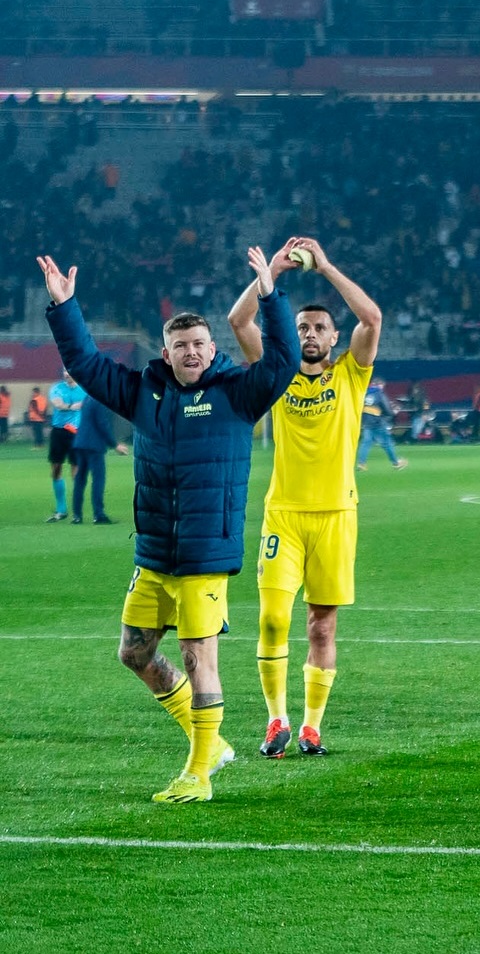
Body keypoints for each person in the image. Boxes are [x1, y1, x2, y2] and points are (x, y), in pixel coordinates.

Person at [39, 249, 298, 803]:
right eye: (181, 345)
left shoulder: (239, 393)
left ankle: (199, 773)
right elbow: (86, 365)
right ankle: (213, 745)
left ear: (213, 348)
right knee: (133, 653)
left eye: (200, 343)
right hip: (155, 553)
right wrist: (64, 307)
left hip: (205, 553)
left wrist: (270, 293)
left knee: (198, 656)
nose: (192, 352)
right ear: (166, 353)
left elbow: (283, 360)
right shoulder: (142, 393)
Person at [228, 237, 382, 760]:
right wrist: (270, 274)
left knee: (321, 624)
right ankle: (277, 719)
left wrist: (327, 267)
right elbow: (238, 321)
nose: (310, 334)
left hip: (337, 515)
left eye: (319, 328)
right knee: (273, 618)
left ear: (334, 337)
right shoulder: (278, 373)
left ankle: (312, 727)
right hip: (284, 516)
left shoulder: (351, 374)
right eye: (302, 328)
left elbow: (372, 318)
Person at [71, 394, 127, 524]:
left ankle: (77, 516)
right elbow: (102, 424)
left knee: (80, 480)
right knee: (98, 479)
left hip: (81, 443)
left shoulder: (87, 397)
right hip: (94, 445)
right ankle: (98, 515)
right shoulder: (100, 399)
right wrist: (115, 445)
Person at [45, 369, 86, 521]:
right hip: (58, 432)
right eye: (64, 371)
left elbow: (89, 405)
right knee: (56, 469)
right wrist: (72, 406)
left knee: (76, 471)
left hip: (76, 432)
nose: (67, 374)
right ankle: (61, 509)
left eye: (69, 371)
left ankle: (77, 512)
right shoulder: (57, 388)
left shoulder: (84, 389)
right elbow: (58, 405)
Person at [357, 377, 407, 470]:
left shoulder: (364, 392)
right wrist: (393, 412)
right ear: (380, 385)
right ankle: (396, 463)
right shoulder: (379, 394)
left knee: (366, 443)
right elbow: (387, 408)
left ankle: (361, 463)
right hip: (378, 422)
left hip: (366, 422)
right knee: (387, 443)